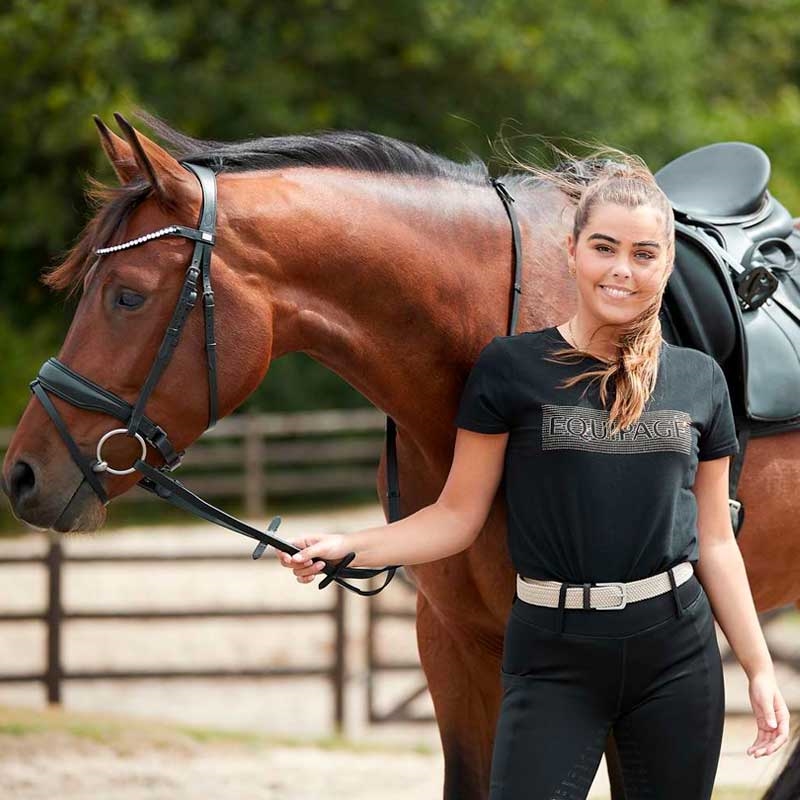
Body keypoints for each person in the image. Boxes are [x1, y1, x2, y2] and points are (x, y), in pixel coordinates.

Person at [277, 147, 790, 799]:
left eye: (643, 254)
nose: (621, 271)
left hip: (676, 656)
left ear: (666, 263)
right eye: (604, 248)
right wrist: (351, 547)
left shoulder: (699, 380)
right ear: (572, 250)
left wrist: (758, 668)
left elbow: (716, 543)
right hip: (553, 657)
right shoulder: (510, 370)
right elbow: (456, 516)